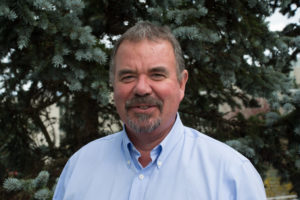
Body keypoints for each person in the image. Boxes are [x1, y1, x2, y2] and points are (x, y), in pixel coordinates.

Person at [53, 21, 267, 200]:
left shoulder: (232, 175)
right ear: (113, 84)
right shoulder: (78, 169)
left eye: (157, 74)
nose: (142, 88)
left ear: (181, 84)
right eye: (128, 76)